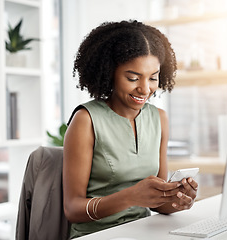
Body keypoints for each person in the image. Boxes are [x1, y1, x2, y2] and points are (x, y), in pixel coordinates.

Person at [63, 20, 198, 238]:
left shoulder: (159, 119)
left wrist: (177, 198)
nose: (145, 89)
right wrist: (130, 197)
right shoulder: (86, 120)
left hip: (141, 232)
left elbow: (158, 204)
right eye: (132, 78)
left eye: (153, 78)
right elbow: (72, 209)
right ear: (110, 72)